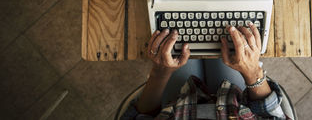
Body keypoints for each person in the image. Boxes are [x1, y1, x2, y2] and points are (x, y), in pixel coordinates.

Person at [121, 23, 294, 119]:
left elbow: (138, 117)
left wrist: (160, 73)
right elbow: (273, 117)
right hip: (234, 97)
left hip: (177, 98)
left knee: (178, 41)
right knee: (225, 35)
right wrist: (253, 73)